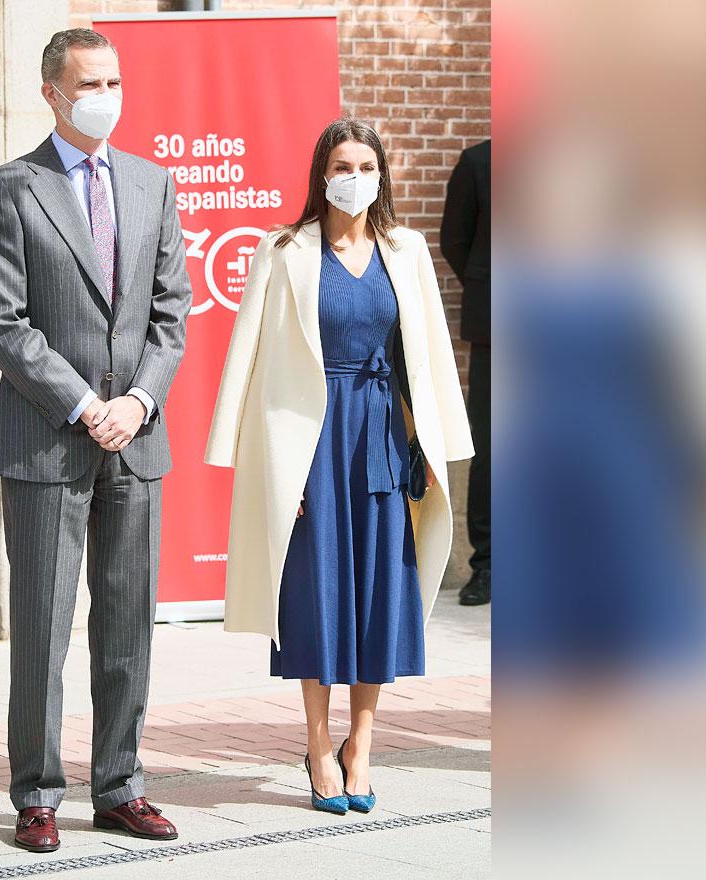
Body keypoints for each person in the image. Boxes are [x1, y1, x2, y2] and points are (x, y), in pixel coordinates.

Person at [204, 119, 473, 815]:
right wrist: (257, 464)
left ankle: (363, 744)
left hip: (381, 436)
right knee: (317, 597)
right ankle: (318, 746)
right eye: (341, 163)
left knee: (383, 595)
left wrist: (436, 444)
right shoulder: (283, 249)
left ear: (381, 173)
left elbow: (428, 354)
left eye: (366, 163)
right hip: (311, 442)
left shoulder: (407, 250)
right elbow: (251, 358)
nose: (355, 175)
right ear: (321, 174)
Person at [0, 28, 191, 853]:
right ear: (52, 94)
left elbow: (172, 313)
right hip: (46, 442)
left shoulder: (151, 184)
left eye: (116, 79)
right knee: (43, 625)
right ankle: (36, 793)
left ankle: (120, 784)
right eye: (90, 81)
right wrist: (79, 403)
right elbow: (3, 320)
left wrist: (135, 401)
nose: (107, 93)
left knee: (127, 625)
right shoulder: (11, 189)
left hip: (136, 438)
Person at [440, 139, 492, 605]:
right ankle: (487, 565)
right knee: (491, 448)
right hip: (496, 330)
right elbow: (454, 239)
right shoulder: (479, 162)